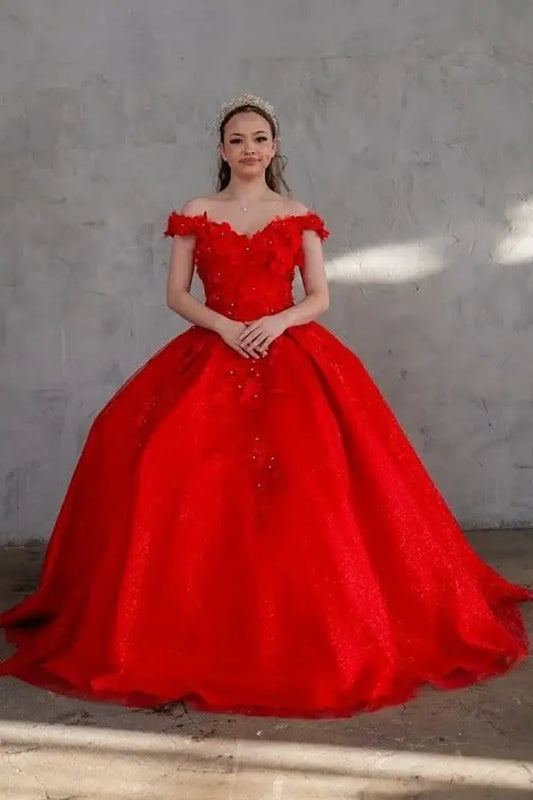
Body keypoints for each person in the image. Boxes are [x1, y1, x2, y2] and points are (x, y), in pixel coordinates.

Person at [0, 93, 531, 719]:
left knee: (317, 487)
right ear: (221, 150)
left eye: (259, 138)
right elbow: (175, 293)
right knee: (160, 466)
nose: (248, 148)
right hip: (215, 344)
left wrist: (277, 323)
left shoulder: (299, 214)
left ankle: (317, 623)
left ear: (274, 146)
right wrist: (224, 328)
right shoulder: (196, 212)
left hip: (289, 348)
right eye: (236, 139)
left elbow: (320, 297)